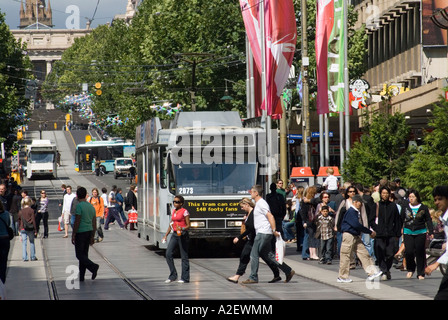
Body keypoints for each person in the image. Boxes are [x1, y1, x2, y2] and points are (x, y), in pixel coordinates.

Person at [242, 185, 295, 284]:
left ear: (256, 193)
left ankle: (253, 277)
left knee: (254, 254)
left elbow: (270, 216)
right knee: (269, 255)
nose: (250, 193)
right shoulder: (258, 203)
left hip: (263, 232)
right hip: (263, 232)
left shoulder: (262, 203)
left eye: (252, 192)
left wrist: (274, 229)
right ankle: (288, 270)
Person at [337, 195, 382, 283]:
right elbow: (356, 225)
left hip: (355, 235)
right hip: (349, 235)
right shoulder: (351, 211)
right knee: (345, 256)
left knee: (364, 253)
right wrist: (369, 232)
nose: (361, 205)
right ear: (355, 202)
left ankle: (372, 272)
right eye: (360, 203)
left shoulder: (355, 211)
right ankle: (342, 276)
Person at [400, 188, 433, 280]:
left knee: (420, 252)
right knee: (409, 251)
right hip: (408, 231)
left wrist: (431, 230)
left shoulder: (423, 207)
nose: (411, 198)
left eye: (413, 197)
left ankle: (420, 273)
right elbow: (401, 218)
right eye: (410, 197)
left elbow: (428, 220)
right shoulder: (405, 207)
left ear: (417, 197)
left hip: (420, 231)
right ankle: (410, 269)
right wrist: (399, 229)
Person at [371, 186, 402, 280]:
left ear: (389, 194)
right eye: (383, 193)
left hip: (391, 233)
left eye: (386, 193)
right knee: (380, 252)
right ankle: (384, 271)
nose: (385, 195)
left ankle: (387, 269)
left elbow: (398, 220)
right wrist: (376, 229)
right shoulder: (376, 205)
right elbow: (371, 220)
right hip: (379, 234)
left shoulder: (393, 206)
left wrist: (397, 233)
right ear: (380, 194)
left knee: (390, 253)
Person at [71, 187, 99, 282]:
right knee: (84, 255)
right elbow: (94, 223)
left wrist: (73, 234)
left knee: (79, 255)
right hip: (89, 232)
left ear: (77, 195)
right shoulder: (91, 206)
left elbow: (77, 221)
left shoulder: (79, 206)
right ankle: (82, 277)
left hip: (80, 232)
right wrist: (92, 236)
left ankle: (93, 267)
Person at [425, 186, 448, 300]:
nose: (437, 202)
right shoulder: (445, 218)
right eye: (435, 200)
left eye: (440, 199)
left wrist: (435, 264)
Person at [162, 195, 190, 283]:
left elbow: (188, 225)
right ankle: (173, 275)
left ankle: (185, 278)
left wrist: (182, 228)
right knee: (168, 254)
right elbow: (171, 224)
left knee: (184, 256)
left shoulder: (185, 212)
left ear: (181, 203)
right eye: (174, 201)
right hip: (174, 234)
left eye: (177, 202)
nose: (175, 203)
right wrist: (166, 235)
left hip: (182, 234)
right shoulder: (174, 211)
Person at [299, 186, 320, 260]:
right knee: (308, 236)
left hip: (309, 220)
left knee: (308, 236)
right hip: (308, 221)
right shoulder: (305, 202)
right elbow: (303, 212)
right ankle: (306, 254)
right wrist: (304, 221)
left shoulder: (307, 201)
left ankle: (307, 254)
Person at [18, 197, 37, 262]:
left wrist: (19, 229)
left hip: (23, 228)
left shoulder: (20, 211)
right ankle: (32, 256)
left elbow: (19, 221)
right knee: (32, 242)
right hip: (30, 228)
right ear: (29, 202)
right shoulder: (31, 210)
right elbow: (34, 220)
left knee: (24, 243)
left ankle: (25, 257)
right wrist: (35, 230)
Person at [0, 200, 11, 299]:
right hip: (5, 239)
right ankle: (2, 283)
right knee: (3, 262)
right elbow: (8, 223)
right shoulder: (6, 214)